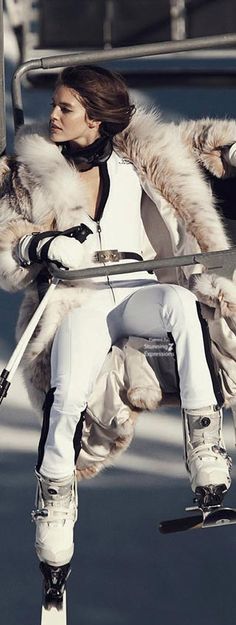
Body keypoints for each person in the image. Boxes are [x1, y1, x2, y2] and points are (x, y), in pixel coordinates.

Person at [0, 64, 234, 569]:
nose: (54, 117)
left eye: (66, 108)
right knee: (67, 394)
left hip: (138, 284)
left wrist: (231, 150)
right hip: (81, 297)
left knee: (180, 306)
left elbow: (202, 143)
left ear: (98, 118)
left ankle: (205, 445)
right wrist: (41, 243)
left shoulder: (141, 153)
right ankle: (56, 506)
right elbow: (8, 237)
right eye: (54, 106)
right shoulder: (33, 168)